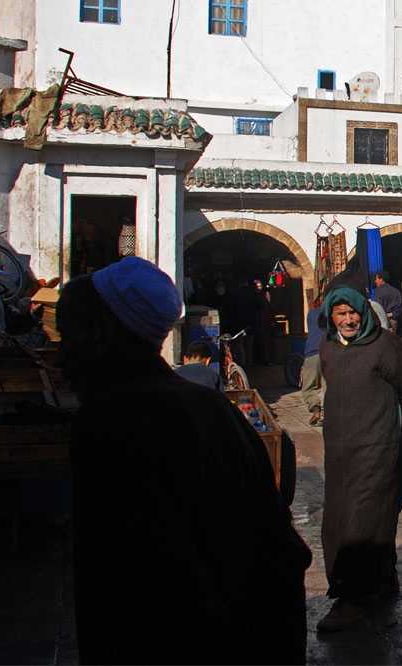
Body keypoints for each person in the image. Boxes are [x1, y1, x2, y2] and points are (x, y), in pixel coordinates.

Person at [56, 256, 310, 664]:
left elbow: (140, 586)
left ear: (101, 334)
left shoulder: (109, 421)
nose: (60, 357)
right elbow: (279, 546)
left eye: (67, 337)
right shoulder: (214, 407)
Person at [316, 284, 402, 633]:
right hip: (340, 450)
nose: (347, 320)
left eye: (352, 313)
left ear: (364, 312)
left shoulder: (384, 345)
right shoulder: (328, 346)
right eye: (340, 314)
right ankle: (383, 576)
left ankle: (351, 599)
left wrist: (400, 431)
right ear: (331, 317)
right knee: (340, 516)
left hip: (378, 446)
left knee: (362, 521)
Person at [301, 305, 327, 426]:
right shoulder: (333, 313)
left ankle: (316, 409)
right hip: (329, 352)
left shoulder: (311, 313)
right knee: (328, 386)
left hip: (312, 352)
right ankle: (328, 415)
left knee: (309, 386)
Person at [372, 271, 402, 336]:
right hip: (393, 320)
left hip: (382, 321)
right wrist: (392, 314)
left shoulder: (377, 291)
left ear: (381, 280)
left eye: (376, 279)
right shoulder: (396, 291)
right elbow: (401, 308)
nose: (375, 281)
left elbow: (378, 307)